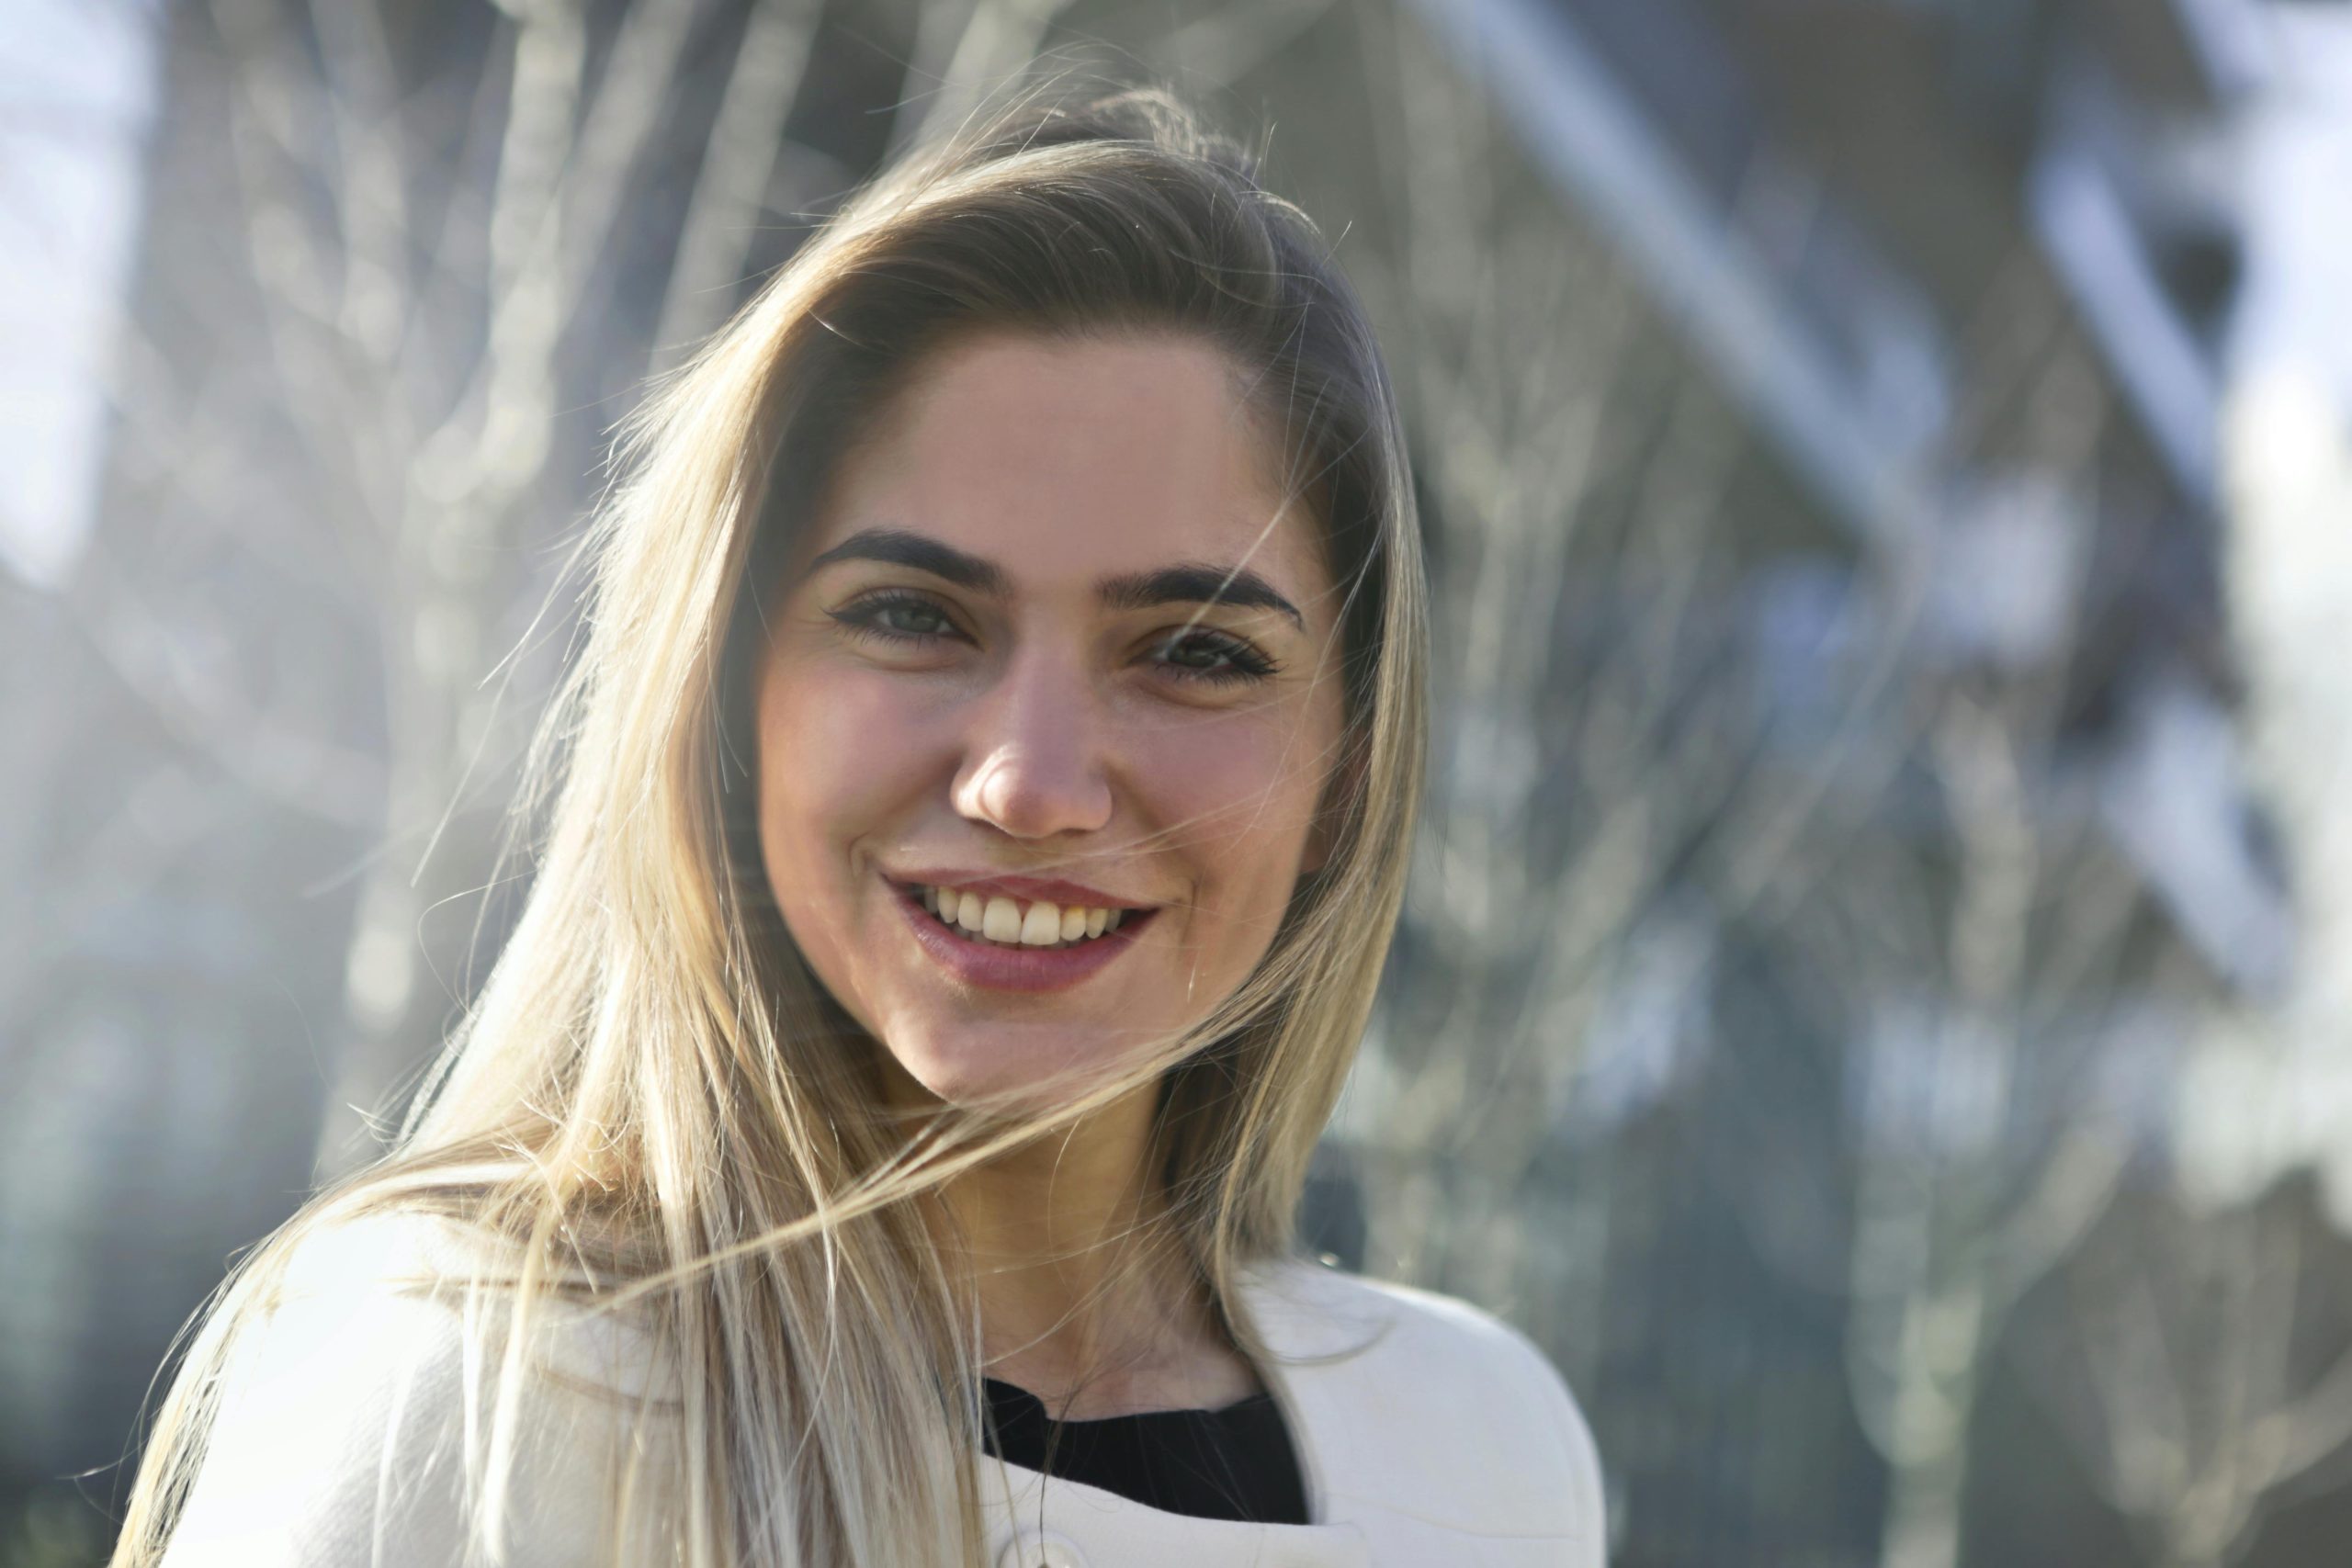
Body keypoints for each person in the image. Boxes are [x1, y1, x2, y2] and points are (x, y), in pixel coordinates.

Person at [116, 75, 1606, 1568]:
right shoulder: (466, 1394)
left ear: (1348, 772)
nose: (1030, 784)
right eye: (912, 616)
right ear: (724, 702)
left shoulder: (1489, 1452)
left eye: (1195, 651)